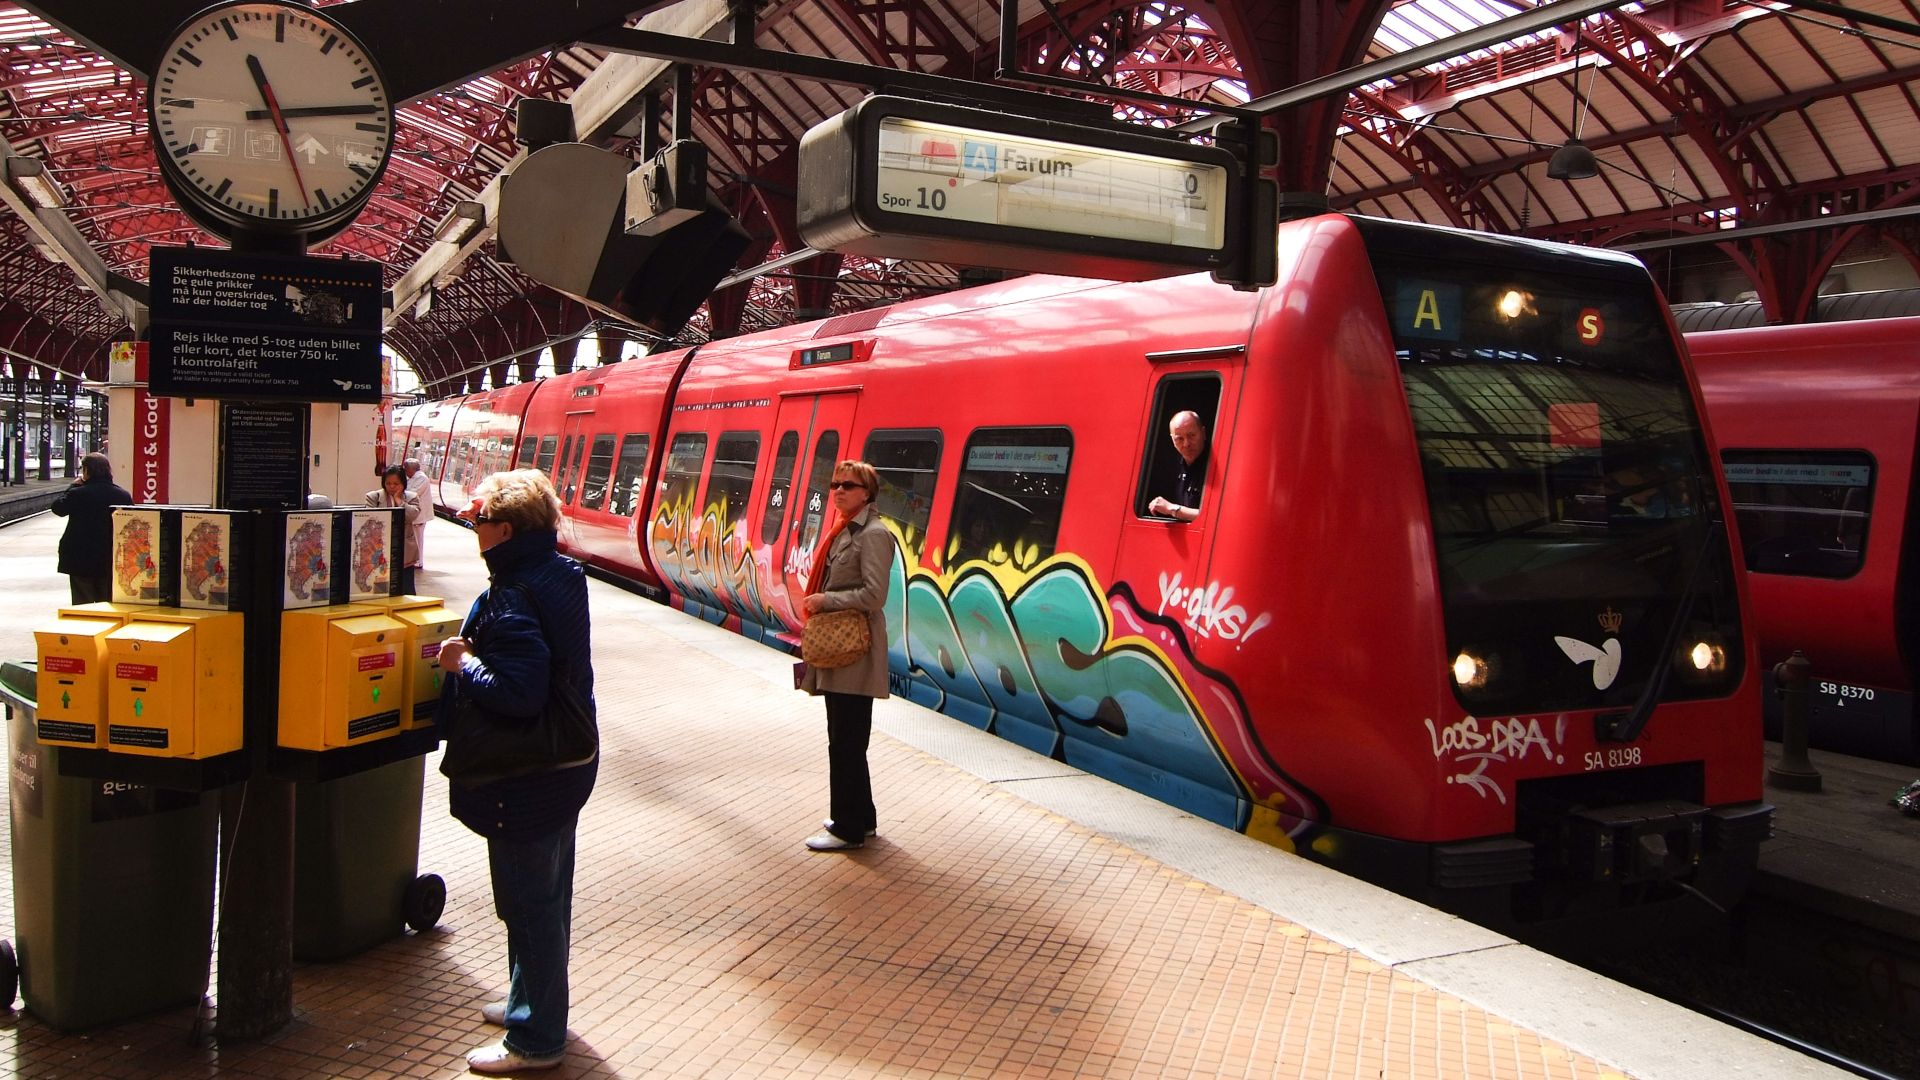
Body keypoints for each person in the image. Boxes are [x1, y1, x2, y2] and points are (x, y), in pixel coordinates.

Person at [435, 469, 596, 1074]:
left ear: (503, 530)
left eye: (479, 521)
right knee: (548, 898)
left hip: (527, 770)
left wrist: (463, 662)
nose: (473, 529)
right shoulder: (561, 574)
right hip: (569, 756)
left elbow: (519, 691)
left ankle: (535, 1039)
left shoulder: (509, 595)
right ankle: (528, 1002)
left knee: (527, 903)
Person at [798, 460, 895, 852]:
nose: (838, 491)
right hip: (841, 649)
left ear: (867, 494)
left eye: (848, 486)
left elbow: (875, 595)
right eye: (835, 484)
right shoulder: (845, 530)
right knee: (847, 738)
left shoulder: (873, 535)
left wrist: (826, 600)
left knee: (845, 741)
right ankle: (862, 817)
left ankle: (847, 828)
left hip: (855, 649)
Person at [51, 451, 132, 603]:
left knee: (83, 605)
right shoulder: (123, 495)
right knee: (107, 603)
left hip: (80, 558)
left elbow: (58, 508)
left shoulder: (78, 493)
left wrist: (73, 486)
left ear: (87, 471)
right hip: (110, 558)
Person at [364, 465, 423, 594]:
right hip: (379, 549)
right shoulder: (373, 497)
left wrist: (399, 501)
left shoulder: (412, 497)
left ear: (403, 483)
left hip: (404, 550)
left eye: (396, 483)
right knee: (380, 586)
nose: (391, 487)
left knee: (405, 587)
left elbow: (411, 516)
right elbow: (371, 520)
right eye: (388, 483)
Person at [1146, 410, 1209, 522]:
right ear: (1172, 440)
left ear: (1203, 433)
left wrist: (1173, 510)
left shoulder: (1218, 466)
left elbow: (1216, 517)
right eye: (1179, 439)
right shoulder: (1169, 468)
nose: (1186, 444)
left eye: (1191, 435)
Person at [403, 457, 432, 572]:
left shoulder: (421, 478)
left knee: (418, 538)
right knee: (414, 538)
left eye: (406, 469)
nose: (405, 471)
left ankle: (419, 561)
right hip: (415, 515)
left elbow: (413, 493)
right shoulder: (413, 478)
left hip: (419, 516)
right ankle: (416, 560)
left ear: (411, 469)